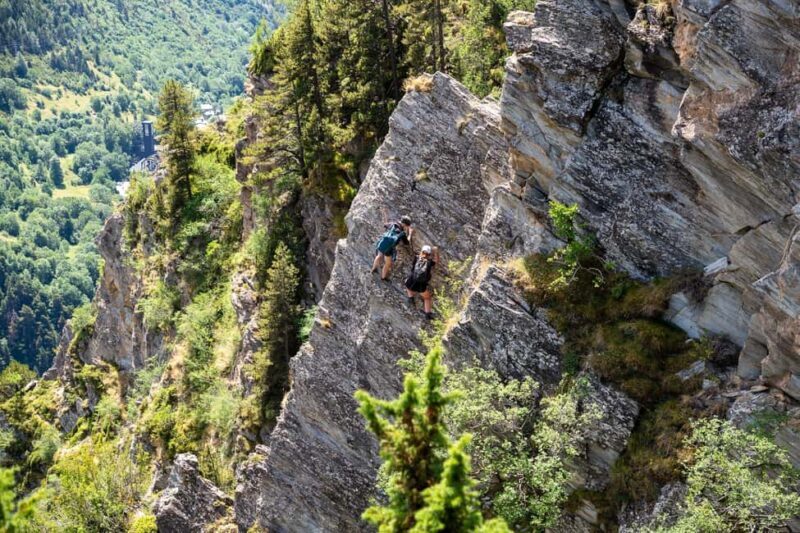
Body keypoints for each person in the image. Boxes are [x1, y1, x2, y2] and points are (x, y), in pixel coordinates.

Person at [371, 213, 413, 281]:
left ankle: (374, 268)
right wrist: (410, 233)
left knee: (379, 255)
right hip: (389, 248)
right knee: (388, 263)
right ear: (405, 224)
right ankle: (383, 277)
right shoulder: (402, 233)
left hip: (382, 243)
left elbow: (385, 225)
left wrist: (385, 214)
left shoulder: (393, 224)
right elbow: (407, 243)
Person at [405, 245, 439, 320]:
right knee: (427, 298)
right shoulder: (430, 262)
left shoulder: (416, 258)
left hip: (412, 280)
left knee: (407, 283)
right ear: (429, 254)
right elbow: (436, 261)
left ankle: (410, 298)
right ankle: (428, 314)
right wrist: (436, 252)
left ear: (421, 251)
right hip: (421, 285)